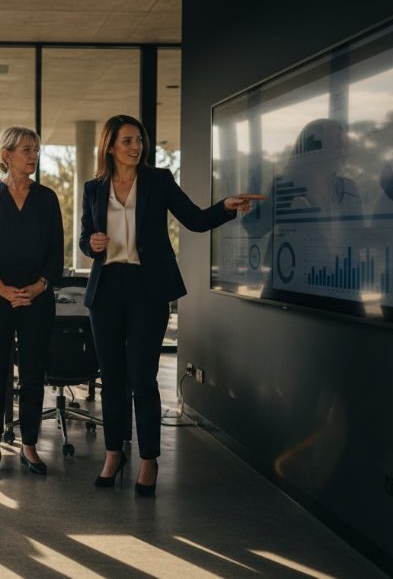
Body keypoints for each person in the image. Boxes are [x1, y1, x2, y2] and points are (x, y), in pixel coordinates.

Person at [79, 115, 264, 495]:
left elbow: (194, 219)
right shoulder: (93, 188)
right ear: (110, 145)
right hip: (107, 288)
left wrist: (226, 207)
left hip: (148, 289)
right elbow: (86, 237)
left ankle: (149, 460)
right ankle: (113, 453)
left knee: (142, 379)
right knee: (112, 378)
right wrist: (90, 245)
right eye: (128, 141)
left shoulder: (158, 180)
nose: (136, 147)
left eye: (139, 140)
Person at [0, 126, 63, 477]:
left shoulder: (47, 198)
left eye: (36, 149)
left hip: (37, 299)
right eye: (27, 149)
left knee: (33, 373)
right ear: (6, 155)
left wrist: (38, 287)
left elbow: (56, 253)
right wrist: (3, 289)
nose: (34, 155)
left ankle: (29, 446)